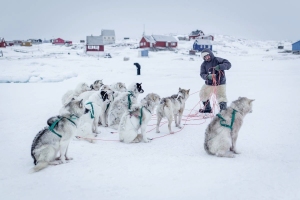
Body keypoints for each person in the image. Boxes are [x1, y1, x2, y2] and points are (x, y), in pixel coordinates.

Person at [199, 48, 231, 113]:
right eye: (205, 57)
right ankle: (207, 109)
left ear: (210, 54)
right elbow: (202, 74)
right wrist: (207, 76)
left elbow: (228, 64)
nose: (207, 57)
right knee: (203, 94)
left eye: (207, 55)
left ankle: (223, 112)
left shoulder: (217, 60)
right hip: (209, 83)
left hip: (220, 82)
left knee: (221, 96)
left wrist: (220, 66)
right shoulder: (203, 65)